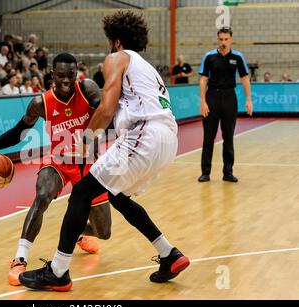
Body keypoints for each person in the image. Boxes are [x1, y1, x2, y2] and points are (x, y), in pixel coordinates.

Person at [19, 11, 189, 292]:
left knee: (82, 193)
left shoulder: (117, 57)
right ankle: (169, 253)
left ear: (117, 40)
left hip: (144, 133)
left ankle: (59, 271)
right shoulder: (147, 67)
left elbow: (106, 108)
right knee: (117, 196)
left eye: (109, 40)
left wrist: (84, 141)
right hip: (168, 138)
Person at [0, 53, 112, 286]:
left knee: (104, 232)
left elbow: (107, 113)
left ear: (77, 73)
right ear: (52, 75)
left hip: (89, 164)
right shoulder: (41, 103)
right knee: (41, 196)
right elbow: (19, 131)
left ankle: (77, 232)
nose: (66, 80)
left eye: (71, 75)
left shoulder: (87, 89)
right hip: (58, 162)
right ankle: (20, 258)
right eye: (61, 76)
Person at [198, 27, 253, 183]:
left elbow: (244, 78)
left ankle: (228, 172)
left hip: (230, 98)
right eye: (220, 39)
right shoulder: (209, 57)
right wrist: (203, 101)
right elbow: (203, 80)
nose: (223, 42)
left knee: (228, 137)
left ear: (231, 39)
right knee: (208, 137)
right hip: (212, 98)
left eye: (226, 39)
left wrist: (249, 99)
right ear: (218, 39)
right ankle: (205, 172)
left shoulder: (237, 57)